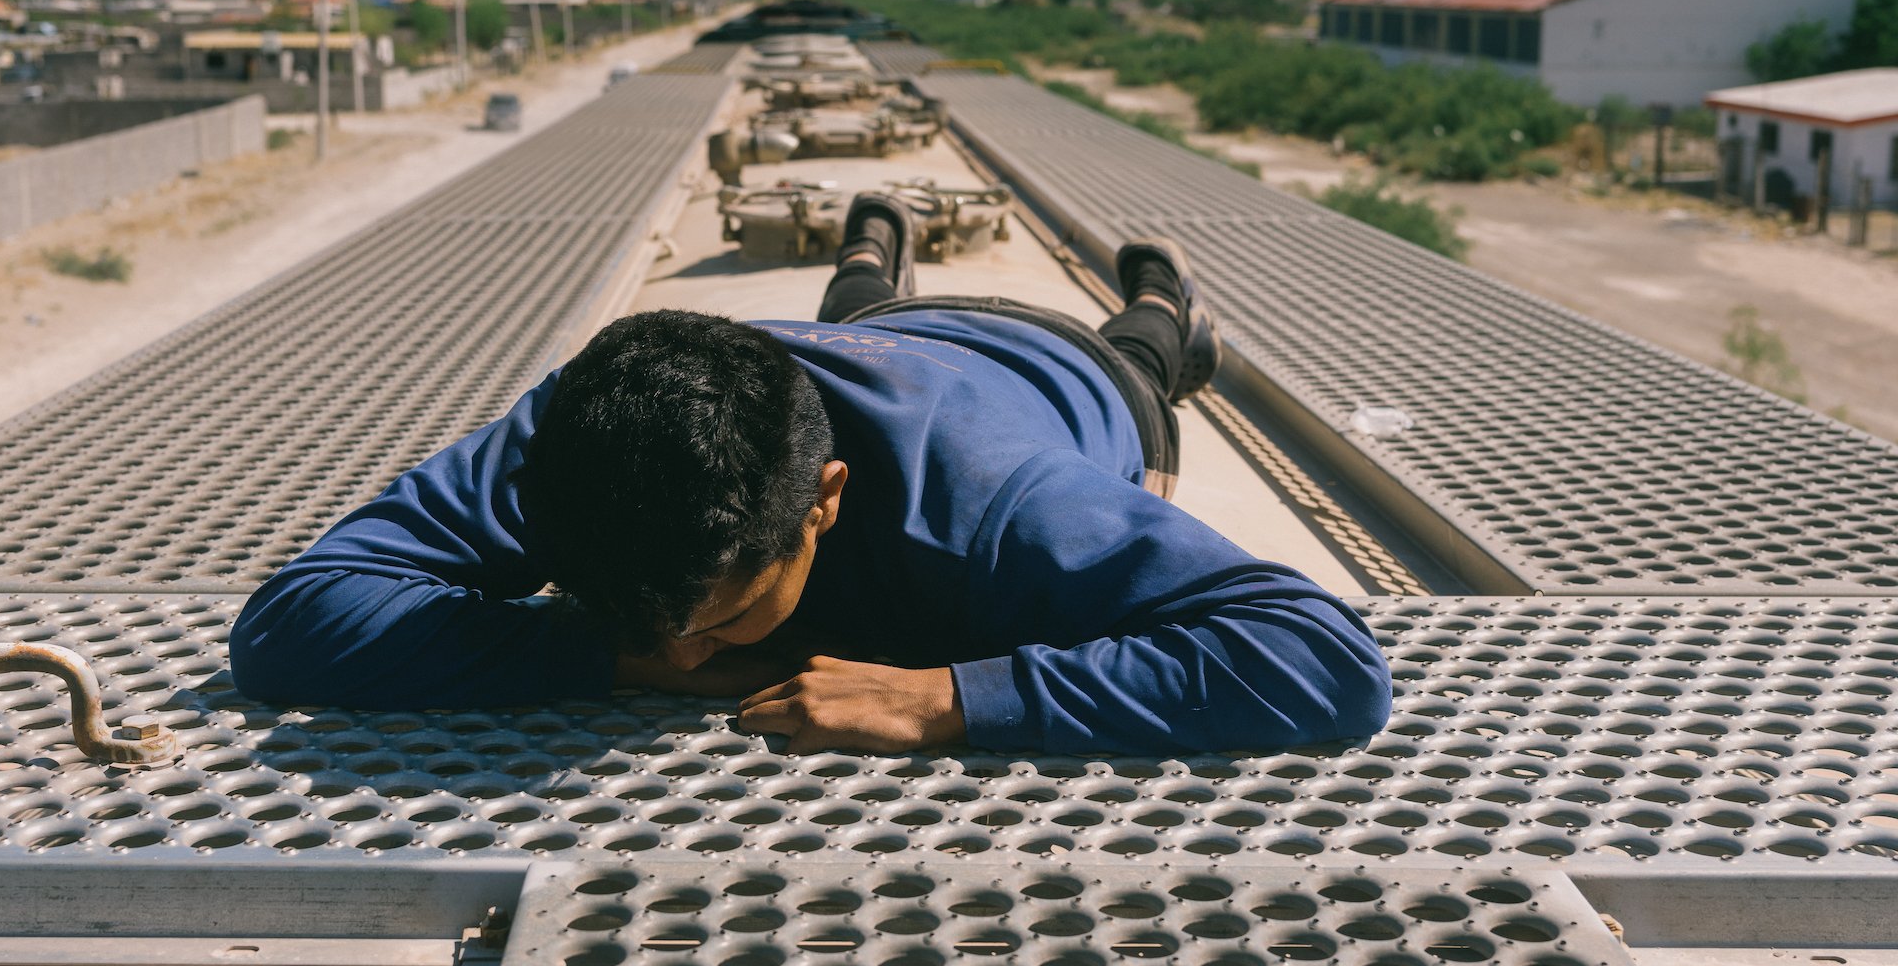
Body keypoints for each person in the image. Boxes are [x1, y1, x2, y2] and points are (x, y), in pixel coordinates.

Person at [231, 194, 1391, 756]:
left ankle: (1159, 305)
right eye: (651, 626)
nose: (685, 658)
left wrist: (950, 699)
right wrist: (612, 652)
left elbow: (1323, 660)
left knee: (1133, 361)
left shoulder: (998, 503)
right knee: (856, 318)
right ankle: (868, 261)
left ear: (824, 500)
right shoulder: (575, 433)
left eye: (719, 618)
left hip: (1047, 371)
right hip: (837, 348)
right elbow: (291, 622)